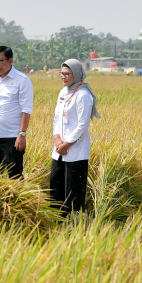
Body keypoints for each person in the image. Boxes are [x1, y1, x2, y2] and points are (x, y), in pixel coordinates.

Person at [50, 59, 100, 214]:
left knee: (73, 191)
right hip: (59, 150)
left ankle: (73, 226)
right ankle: (57, 221)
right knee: (55, 184)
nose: (63, 77)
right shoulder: (63, 92)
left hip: (76, 151)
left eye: (67, 74)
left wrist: (67, 144)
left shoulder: (83, 95)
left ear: (76, 74)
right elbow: (57, 118)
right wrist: (57, 139)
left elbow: (82, 125)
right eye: (61, 73)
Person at [0, 46, 34, 179]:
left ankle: (14, 200)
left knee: (14, 176)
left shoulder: (22, 80)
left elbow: (26, 110)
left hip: (12, 137)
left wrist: (22, 134)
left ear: (10, 61)